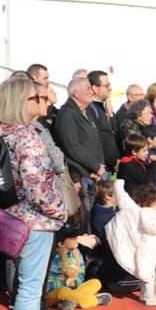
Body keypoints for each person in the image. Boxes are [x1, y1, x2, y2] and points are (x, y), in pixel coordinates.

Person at [0, 76, 64, 310]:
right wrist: (61, 211)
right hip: (34, 220)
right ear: (20, 102)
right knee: (30, 288)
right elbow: (37, 190)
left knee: (26, 285)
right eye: (35, 97)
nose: (42, 101)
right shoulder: (27, 138)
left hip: (8, 217)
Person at [105, 180, 156, 305]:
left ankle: (144, 294)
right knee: (149, 274)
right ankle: (150, 296)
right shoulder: (154, 216)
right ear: (148, 202)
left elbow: (123, 199)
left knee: (146, 273)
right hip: (149, 250)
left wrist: (118, 185)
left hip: (141, 249)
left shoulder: (135, 211)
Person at [55, 77, 106, 232]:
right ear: (76, 93)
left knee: (92, 215)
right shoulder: (67, 114)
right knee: (83, 217)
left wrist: (99, 166)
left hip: (93, 173)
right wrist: (95, 166)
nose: (92, 92)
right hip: (80, 173)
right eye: (88, 89)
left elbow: (96, 141)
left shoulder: (87, 111)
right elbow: (72, 147)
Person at [86, 70, 120, 173]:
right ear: (95, 88)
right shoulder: (90, 109)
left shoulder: (104, 107)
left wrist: (110, 114)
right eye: (106, 85)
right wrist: (112, 161)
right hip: (102, 167)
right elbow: (101, 138)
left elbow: (115, 131)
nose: (110, 88)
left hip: (111, 165)